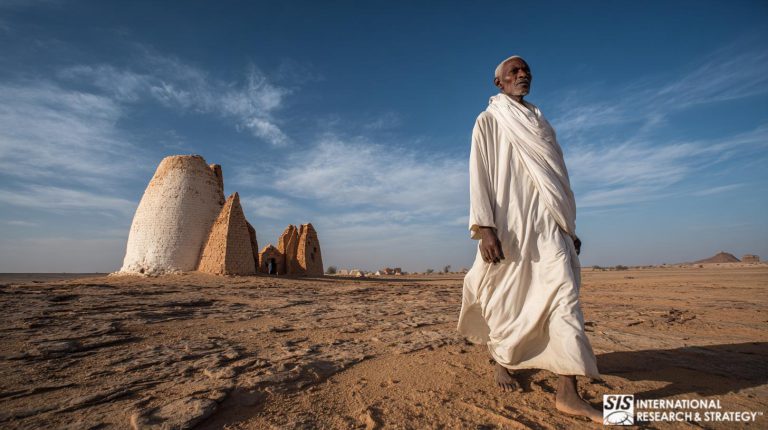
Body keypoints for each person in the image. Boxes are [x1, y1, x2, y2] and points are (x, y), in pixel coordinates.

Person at [457, 55, 602, 423]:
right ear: (499, 83)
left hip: (550, 227)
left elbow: (557, 182)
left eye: (526, 72)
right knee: (505, 300)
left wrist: (567, 227)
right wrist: (485, 227)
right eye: (514, 72)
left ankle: (568, 393)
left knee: (565, 296)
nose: (522, 75)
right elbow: (480, 176)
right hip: (509, 227)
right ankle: (501, 361)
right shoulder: (488, 122)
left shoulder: (542, 124)